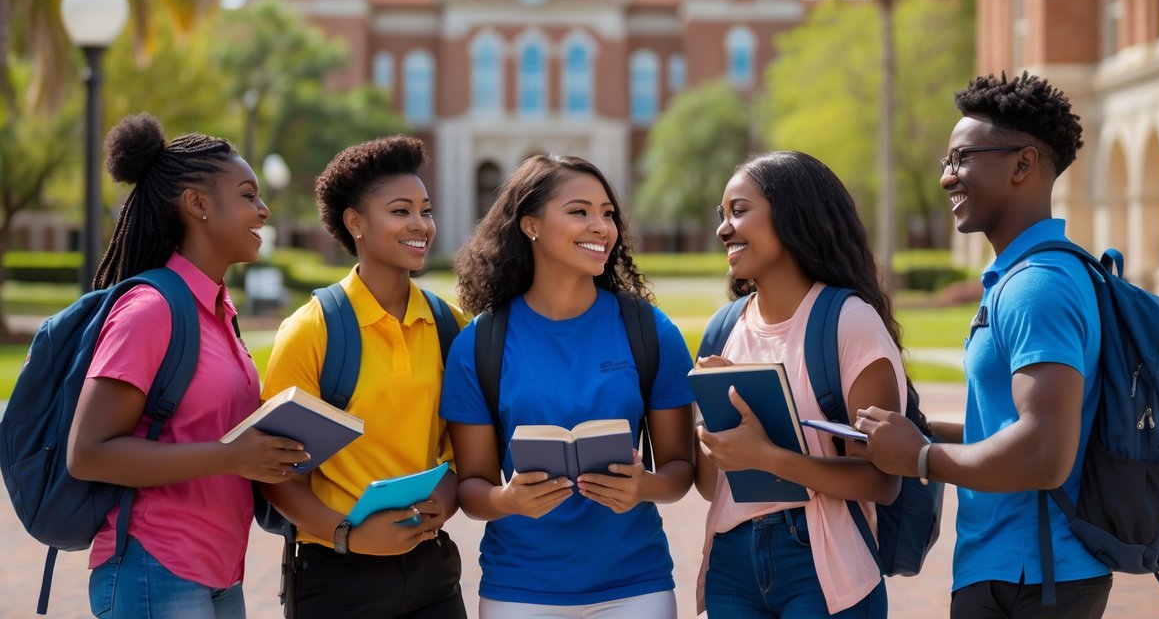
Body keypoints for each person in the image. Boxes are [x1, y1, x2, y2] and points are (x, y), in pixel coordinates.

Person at [856, 71, 1112, 617]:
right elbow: (1011, 424)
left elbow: (1044, 455)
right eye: (947, 162)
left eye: (962, 159)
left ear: (1023, 165)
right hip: (1019, 568)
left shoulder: (1035, 285)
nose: (948, 178)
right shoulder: (1029, 275)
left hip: (1031, 574)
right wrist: (913, 430)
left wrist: (920, 457)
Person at [67, 113, 304, 619]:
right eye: (247, 195)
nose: (263, 211)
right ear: (196, 204)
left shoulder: (219, 312)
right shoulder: (152, 308)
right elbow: (88, 452)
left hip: (220, 573)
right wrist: (231, 456)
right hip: (156, 567)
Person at [439, 154, 694, 619]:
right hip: (519, 590)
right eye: (580, 211)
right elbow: (472, 487)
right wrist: (507, 499)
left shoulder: (650, 331)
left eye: (608, 213)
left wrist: (644, 487)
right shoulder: (479, 344)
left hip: (636, 588)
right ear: (531, 225)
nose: (601, 226)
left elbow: (680, 471)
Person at [694, 150, 908, 618]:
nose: (723, 229)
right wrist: (714, 443)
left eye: (739, 210)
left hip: (823, 565)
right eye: (722, 215)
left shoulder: (849, 322)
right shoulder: (722, 329)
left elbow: (882, 480)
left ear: (793, 215)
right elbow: (712, 487)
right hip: (731, 562)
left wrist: (768, 457)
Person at [260, 135, 467, 618]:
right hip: (336, 576)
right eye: (400, 211)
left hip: (430, 569)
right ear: (356, 222)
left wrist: (448, 493)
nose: (420, 224)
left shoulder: (451, 325)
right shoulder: (310, 331)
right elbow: (272, 473)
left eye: (426, 210)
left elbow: (465, 445)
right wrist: (346, 533)